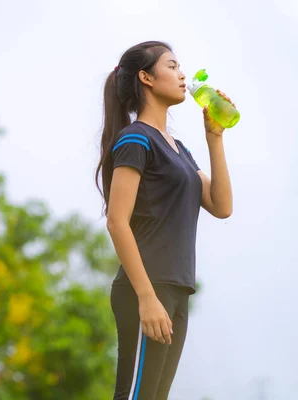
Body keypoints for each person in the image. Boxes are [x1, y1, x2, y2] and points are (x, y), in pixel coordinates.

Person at [95, 41, 234, 400]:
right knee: (135, 395)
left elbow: (221, 205)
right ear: (147, 78)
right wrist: (146, 297)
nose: (183, 74)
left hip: (176, 289)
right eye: (172, 66)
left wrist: (214, 138)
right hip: (146, 290)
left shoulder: (179, 149)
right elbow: (116, 221)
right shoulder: (136, 139)